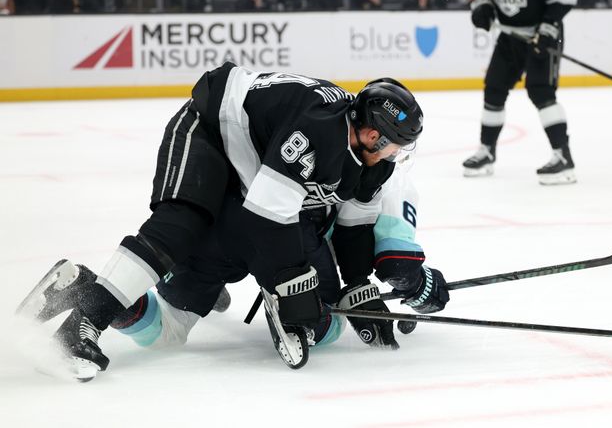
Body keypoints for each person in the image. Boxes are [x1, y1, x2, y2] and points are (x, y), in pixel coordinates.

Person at [16, 67, 424, 380]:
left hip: (245, 168)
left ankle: (78, 286)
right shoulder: (319, 130)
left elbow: (353, 229)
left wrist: (357, 287)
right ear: (371, 134)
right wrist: (291, 285)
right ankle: (81, 326)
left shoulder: (368, 160)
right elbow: (269, 215)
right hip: (209, 129)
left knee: (168, 333)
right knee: (180, 224)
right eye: (395, 145)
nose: (397, 155)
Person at [105, 147, 447, 355]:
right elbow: (397, 264)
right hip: (288, 242)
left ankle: (107, 301)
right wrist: (419, 287)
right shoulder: (390, 177)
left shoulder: (312, 132)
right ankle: (292, 309)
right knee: (329, 328)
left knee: (168, 326)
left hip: (214, 218)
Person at [464, 0, 578, 185]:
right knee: (493, 88)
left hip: (541, 35)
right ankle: (487, 151)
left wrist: (548, 30)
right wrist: (482, 7)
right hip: (510, 36)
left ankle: (563, 158)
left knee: (540, 92)